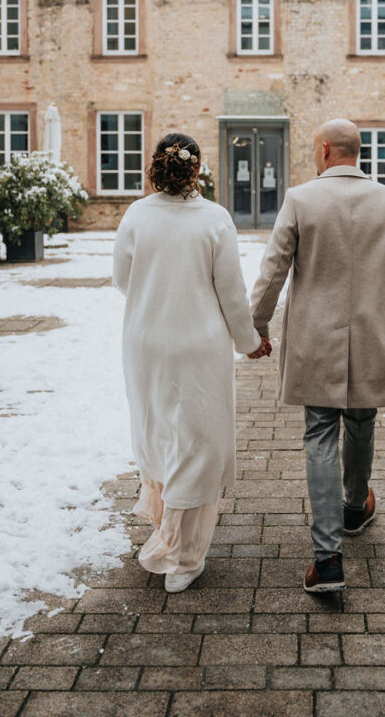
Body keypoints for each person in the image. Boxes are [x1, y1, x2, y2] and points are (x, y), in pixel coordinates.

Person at [250, 119, 385, 593]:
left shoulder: (300, 200)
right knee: (363, 419)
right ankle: (354, 507)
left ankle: (327, 559)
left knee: (320, 431)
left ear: (325, 150)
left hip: (314, 339)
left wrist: (257, 325)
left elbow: (273, 273)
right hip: (371, 335)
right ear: (358, 152)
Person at [113, 132, 270, 593]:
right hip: (198, 344)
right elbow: (231, 293)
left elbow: (123, 279)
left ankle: (168, 529)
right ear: (196, 169)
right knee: (197, 443)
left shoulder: (136, 215)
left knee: (158, 428)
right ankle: (182, 557)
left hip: (146, 342)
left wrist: (156, 293)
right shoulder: (215, 219)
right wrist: (249, 341)